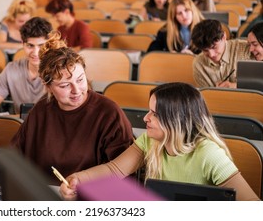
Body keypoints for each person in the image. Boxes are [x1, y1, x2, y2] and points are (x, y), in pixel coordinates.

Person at [0, 31, 133, 184]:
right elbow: (17, 155)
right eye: (65, 85)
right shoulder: (42, 109)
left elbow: (124, 174)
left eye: (80, 80)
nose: (76, 91)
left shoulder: (108, 113)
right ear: (47, 86)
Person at [60, 82, 260, 201]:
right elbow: (114, 170)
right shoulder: (150, 140)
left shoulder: (208, 153)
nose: (145, 118)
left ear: (176, 122)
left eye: (154, 114)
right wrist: (78, 178)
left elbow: (252, 206)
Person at [0, 17, 52, 114]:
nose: (35, 53)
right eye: (30, 45)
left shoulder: (57, 70)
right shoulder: (11, 70)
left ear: (49, 45)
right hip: (22, 126)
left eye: (41, 46)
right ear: (22, 44)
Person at [191, 19, 254, 88]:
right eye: (205, 50)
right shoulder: (199, 64)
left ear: (224, 37)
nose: (211, 54)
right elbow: (206, 96)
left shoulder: (246, 49)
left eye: (214, 47)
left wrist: (235, 86)